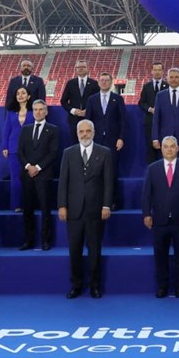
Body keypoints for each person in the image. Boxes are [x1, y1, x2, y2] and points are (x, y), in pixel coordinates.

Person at [58, 120, 116, 299]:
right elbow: (63, 181)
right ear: (77, 134)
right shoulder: (68, 153)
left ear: (94, 132)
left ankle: (94, 286)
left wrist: (106, 205)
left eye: (88, 131)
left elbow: (109, 182)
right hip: (73, 211)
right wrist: (62, 205)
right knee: (74, 250)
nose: (84, 134)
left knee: (94, 251)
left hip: (95, 211)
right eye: (81, 131)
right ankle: (76, 285)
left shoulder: (104, 152)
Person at [142, 136, 179, 298]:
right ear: (161, 149)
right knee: (160, 256)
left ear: (177, 148)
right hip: (159, 220)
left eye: (172, 146)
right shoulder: (152, 169)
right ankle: (163, 287)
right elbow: (146, 194)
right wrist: (146, 213)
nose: (169, 149)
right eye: (166, 146)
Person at [16, 100, 59, 250]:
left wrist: (38, 168)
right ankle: (29, 240)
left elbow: (53, 153)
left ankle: (45, 241)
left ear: (46, 111)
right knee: (27, 209)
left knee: (45, 209)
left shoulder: (53, 130)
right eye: (35, 109)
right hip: (27, 175)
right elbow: (20, 152)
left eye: (41, 109)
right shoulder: (25, 129)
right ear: (32, 111)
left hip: (44, 175)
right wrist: (29, 167)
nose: (38, 112)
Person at [84, 72, 127, 178]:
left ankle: (111, 194)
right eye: (102, 80)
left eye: (107, 80)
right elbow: (87, 121)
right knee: (95, 169)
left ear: (111, 82)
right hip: (95, 140)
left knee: (111, 170)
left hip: (113, 140)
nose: (104, 82)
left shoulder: (118, 99)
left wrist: (121, 138)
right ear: (98, 82)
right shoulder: (91, 99)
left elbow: (123, 120)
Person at [2, 87, 34, 213]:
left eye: (23, 93)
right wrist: (5, 146)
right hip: (13, 149)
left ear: (29, 96)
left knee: (29, 178)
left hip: (30, 149)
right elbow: (6, 130)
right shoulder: (11, 112)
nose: (20, 95)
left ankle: (29, 204)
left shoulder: (34, 111)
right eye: (18, 93)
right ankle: (16, 205)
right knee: (15, 178)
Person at [60, 59, 100, 140]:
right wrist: (73, 111)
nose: (81, 69)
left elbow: (98, 101)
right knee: (75, 144)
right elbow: (63, 101)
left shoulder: (95, 83)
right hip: (74, 120)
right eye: (79, 67)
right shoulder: (70, 83)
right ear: (75, 69)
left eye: (83, 67)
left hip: (90, 118)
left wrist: (89, 110)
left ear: (88, 69)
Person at [139, 62, 167, 165]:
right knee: (150, 149)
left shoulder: (168, 86)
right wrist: (149, 109)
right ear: (151, 71)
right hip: (150, 122)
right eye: (155, 70)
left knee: (165, 147)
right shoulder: (146, 86)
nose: (157, 72)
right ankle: (152, 173)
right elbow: (141, 102)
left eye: (159, 70)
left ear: (163, 72)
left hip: (165, 122)